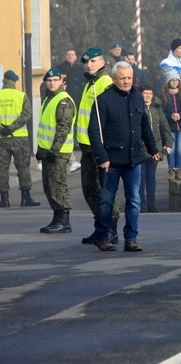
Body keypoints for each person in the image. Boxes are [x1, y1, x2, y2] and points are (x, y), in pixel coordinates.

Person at [88, 62, 160, 252]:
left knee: (134, 200)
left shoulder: (137, 97)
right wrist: (102, 156)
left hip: (133, 159)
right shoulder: (103, 100)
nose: (127, 81)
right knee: (106, 201)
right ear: (114, 79)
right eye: (122, 78)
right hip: (110, 161)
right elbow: (94, 131)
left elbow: (145, 126)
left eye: (129, 78)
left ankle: (131, 238)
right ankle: (102, 236)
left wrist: (153, 150)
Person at [75, 47, 118, 244]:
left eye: (93, 61)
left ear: (102, 62)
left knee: (105, 188)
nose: (89, 65)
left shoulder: (105, 82)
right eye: (86, 62)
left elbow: (109, 115)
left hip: (99, 144)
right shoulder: (91, 82)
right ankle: (100, 226)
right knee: (89, 187)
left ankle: (111, 229)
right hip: (86, 144)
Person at [35, 68, 77, 232]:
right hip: (48, 151)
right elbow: (45, 128)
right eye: (49, 80)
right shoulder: (48, 99)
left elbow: (63, 128)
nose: (52, 83)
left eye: (55, 80)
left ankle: (64, 221)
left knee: (58, 185)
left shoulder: (63, 100)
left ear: (61, 82)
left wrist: (54, 150)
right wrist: (41, 150)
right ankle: (57, 217)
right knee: (49, 185)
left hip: (58, 152)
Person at [0, 69, 39, 208]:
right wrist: (12, 128)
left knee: (2, 169)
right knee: (23, 167)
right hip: (19, 138)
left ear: (4, 81)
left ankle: (4, 199)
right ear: (14, 82)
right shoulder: (21, 95)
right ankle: (25, 198)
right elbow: (26, 115)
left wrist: (3, 128)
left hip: (1, 138)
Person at [140, 85, 172, 212]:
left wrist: (168, 143)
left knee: (151, 177)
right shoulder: (138, 107)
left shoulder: (157, 108)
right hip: (141, 148)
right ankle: (141, 205)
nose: (147, 95)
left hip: (155, 148)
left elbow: (164, 126)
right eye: (145, 93)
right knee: (140, 178)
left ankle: (151, 204)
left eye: (150, 93)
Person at [162, 71, 181, 180]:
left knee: (180, 149)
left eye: (176, 80)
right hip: (170, 126)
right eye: (172, 80)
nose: (174, 82)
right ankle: (171, 169)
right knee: (171, 149)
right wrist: (170, 116)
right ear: (168, 82)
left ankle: (179, 169)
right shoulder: (164, 95)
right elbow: (162, 111)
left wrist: (180, 115)